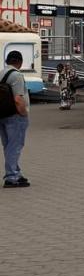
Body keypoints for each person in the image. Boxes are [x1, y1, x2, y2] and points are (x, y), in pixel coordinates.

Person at [1, 51, 31, 188]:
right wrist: (24, 113)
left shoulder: (1, 73)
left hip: (2, 114)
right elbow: (18, 99)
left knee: (8, 146)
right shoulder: (17, 75)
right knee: (15, 146)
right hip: (15, 116)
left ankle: (16, 172)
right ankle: (12, 176)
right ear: (19, 61)